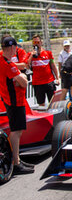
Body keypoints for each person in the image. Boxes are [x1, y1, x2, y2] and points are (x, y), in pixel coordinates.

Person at [0, 36, 34, 174]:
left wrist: (20, 77)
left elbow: (20, 76)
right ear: (13, 47)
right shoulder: (7, 64)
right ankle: (16, 163)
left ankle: (17, 158)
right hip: (14, 100)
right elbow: (24, 82)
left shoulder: (4, 60)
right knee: (16, 131)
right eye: (16, 48)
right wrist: (22, 76)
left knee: (17, 130)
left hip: (11, 99)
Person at [27, 34, 59, 106]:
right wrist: (32, 55)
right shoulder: (30, 54)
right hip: (37, 83)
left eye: (38, 42)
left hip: (49, 81)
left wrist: (57, 78)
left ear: (41, 43)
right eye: (34, 43)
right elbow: (27, 66)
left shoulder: (48, 53)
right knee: (41, 104)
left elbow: (53, 66)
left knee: (53, 103)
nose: (36, 44)